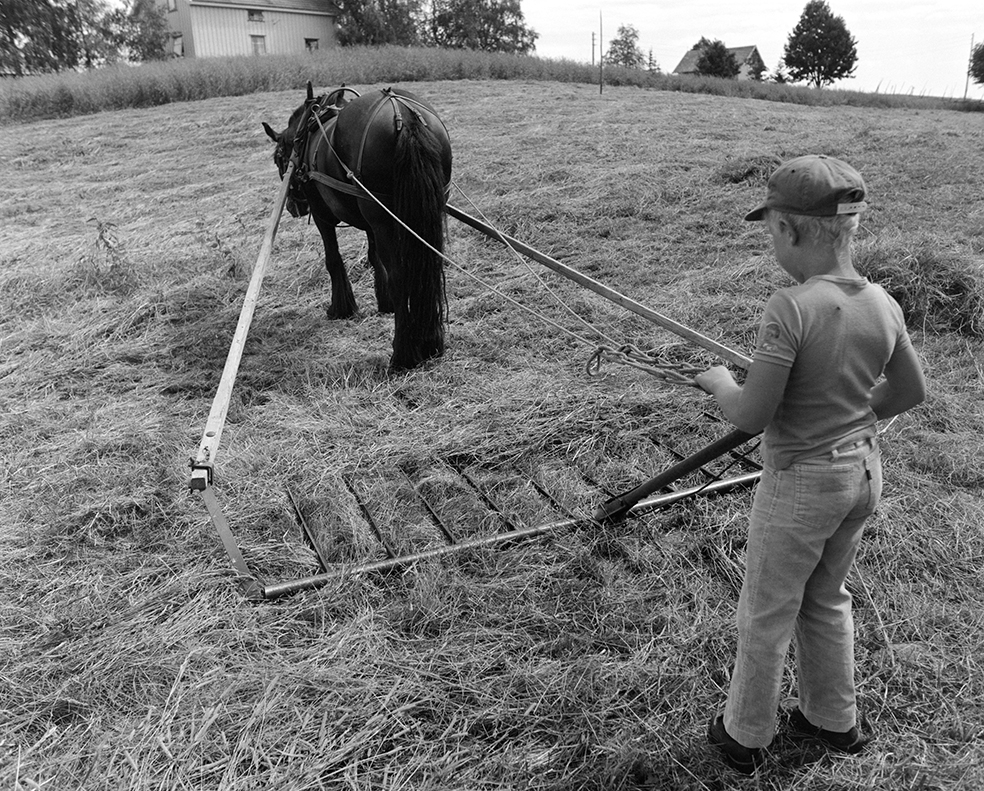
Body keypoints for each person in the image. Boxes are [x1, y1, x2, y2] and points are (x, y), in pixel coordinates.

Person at [694, 154, 926, 774]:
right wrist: (849, 415)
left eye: (770, 229)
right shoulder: (883, 302)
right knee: (825, 597)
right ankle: (834, 720)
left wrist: (719, 382)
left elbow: (752, 413)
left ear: (791, 231)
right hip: (861, 475)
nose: (771, 241)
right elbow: (909, 392)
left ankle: (744, 734)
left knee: (765, 609)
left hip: (801, 484)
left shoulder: (790, 308)